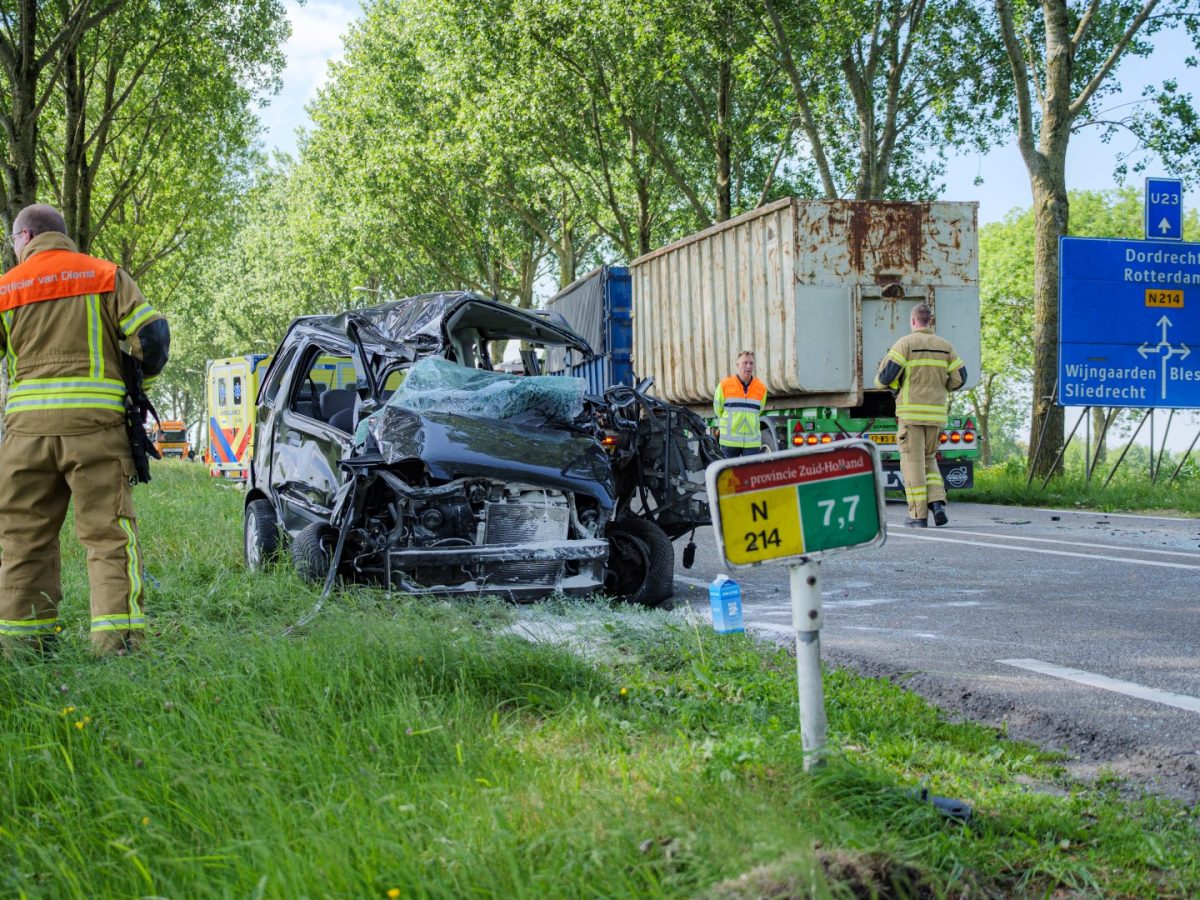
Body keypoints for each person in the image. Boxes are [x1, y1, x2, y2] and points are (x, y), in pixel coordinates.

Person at [0, 204, 169, 655]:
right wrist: (137, 391)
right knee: (108, 535)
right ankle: (118, 645)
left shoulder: (5, 289)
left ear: (26, 236)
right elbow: (152, 338)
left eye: (12, 241)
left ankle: (23, 648)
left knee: (22, 539)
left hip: (24, 438)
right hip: (95, 430)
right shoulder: (105, 275)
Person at [875, 303, 966, 527]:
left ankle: (918, 515)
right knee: (929, 459)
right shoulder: (946, 346)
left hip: (911, 415)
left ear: (913, 321)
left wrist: (886, 384)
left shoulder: (905, 344)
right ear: (930, 322)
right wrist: (939, 387)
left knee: (912, 462)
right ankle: (937, 503)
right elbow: (960, 378)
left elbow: (885, 378)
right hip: (935, 415)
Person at [714, 350, 768, 458]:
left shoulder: (761, 388)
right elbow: (718, 409)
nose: (748, 366)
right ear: (737, 365)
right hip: (729, 442)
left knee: (750, 474)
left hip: (751, 442)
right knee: (729, 474)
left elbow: (759, 410)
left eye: (751, 363)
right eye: (745, 363)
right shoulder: (725, 385)